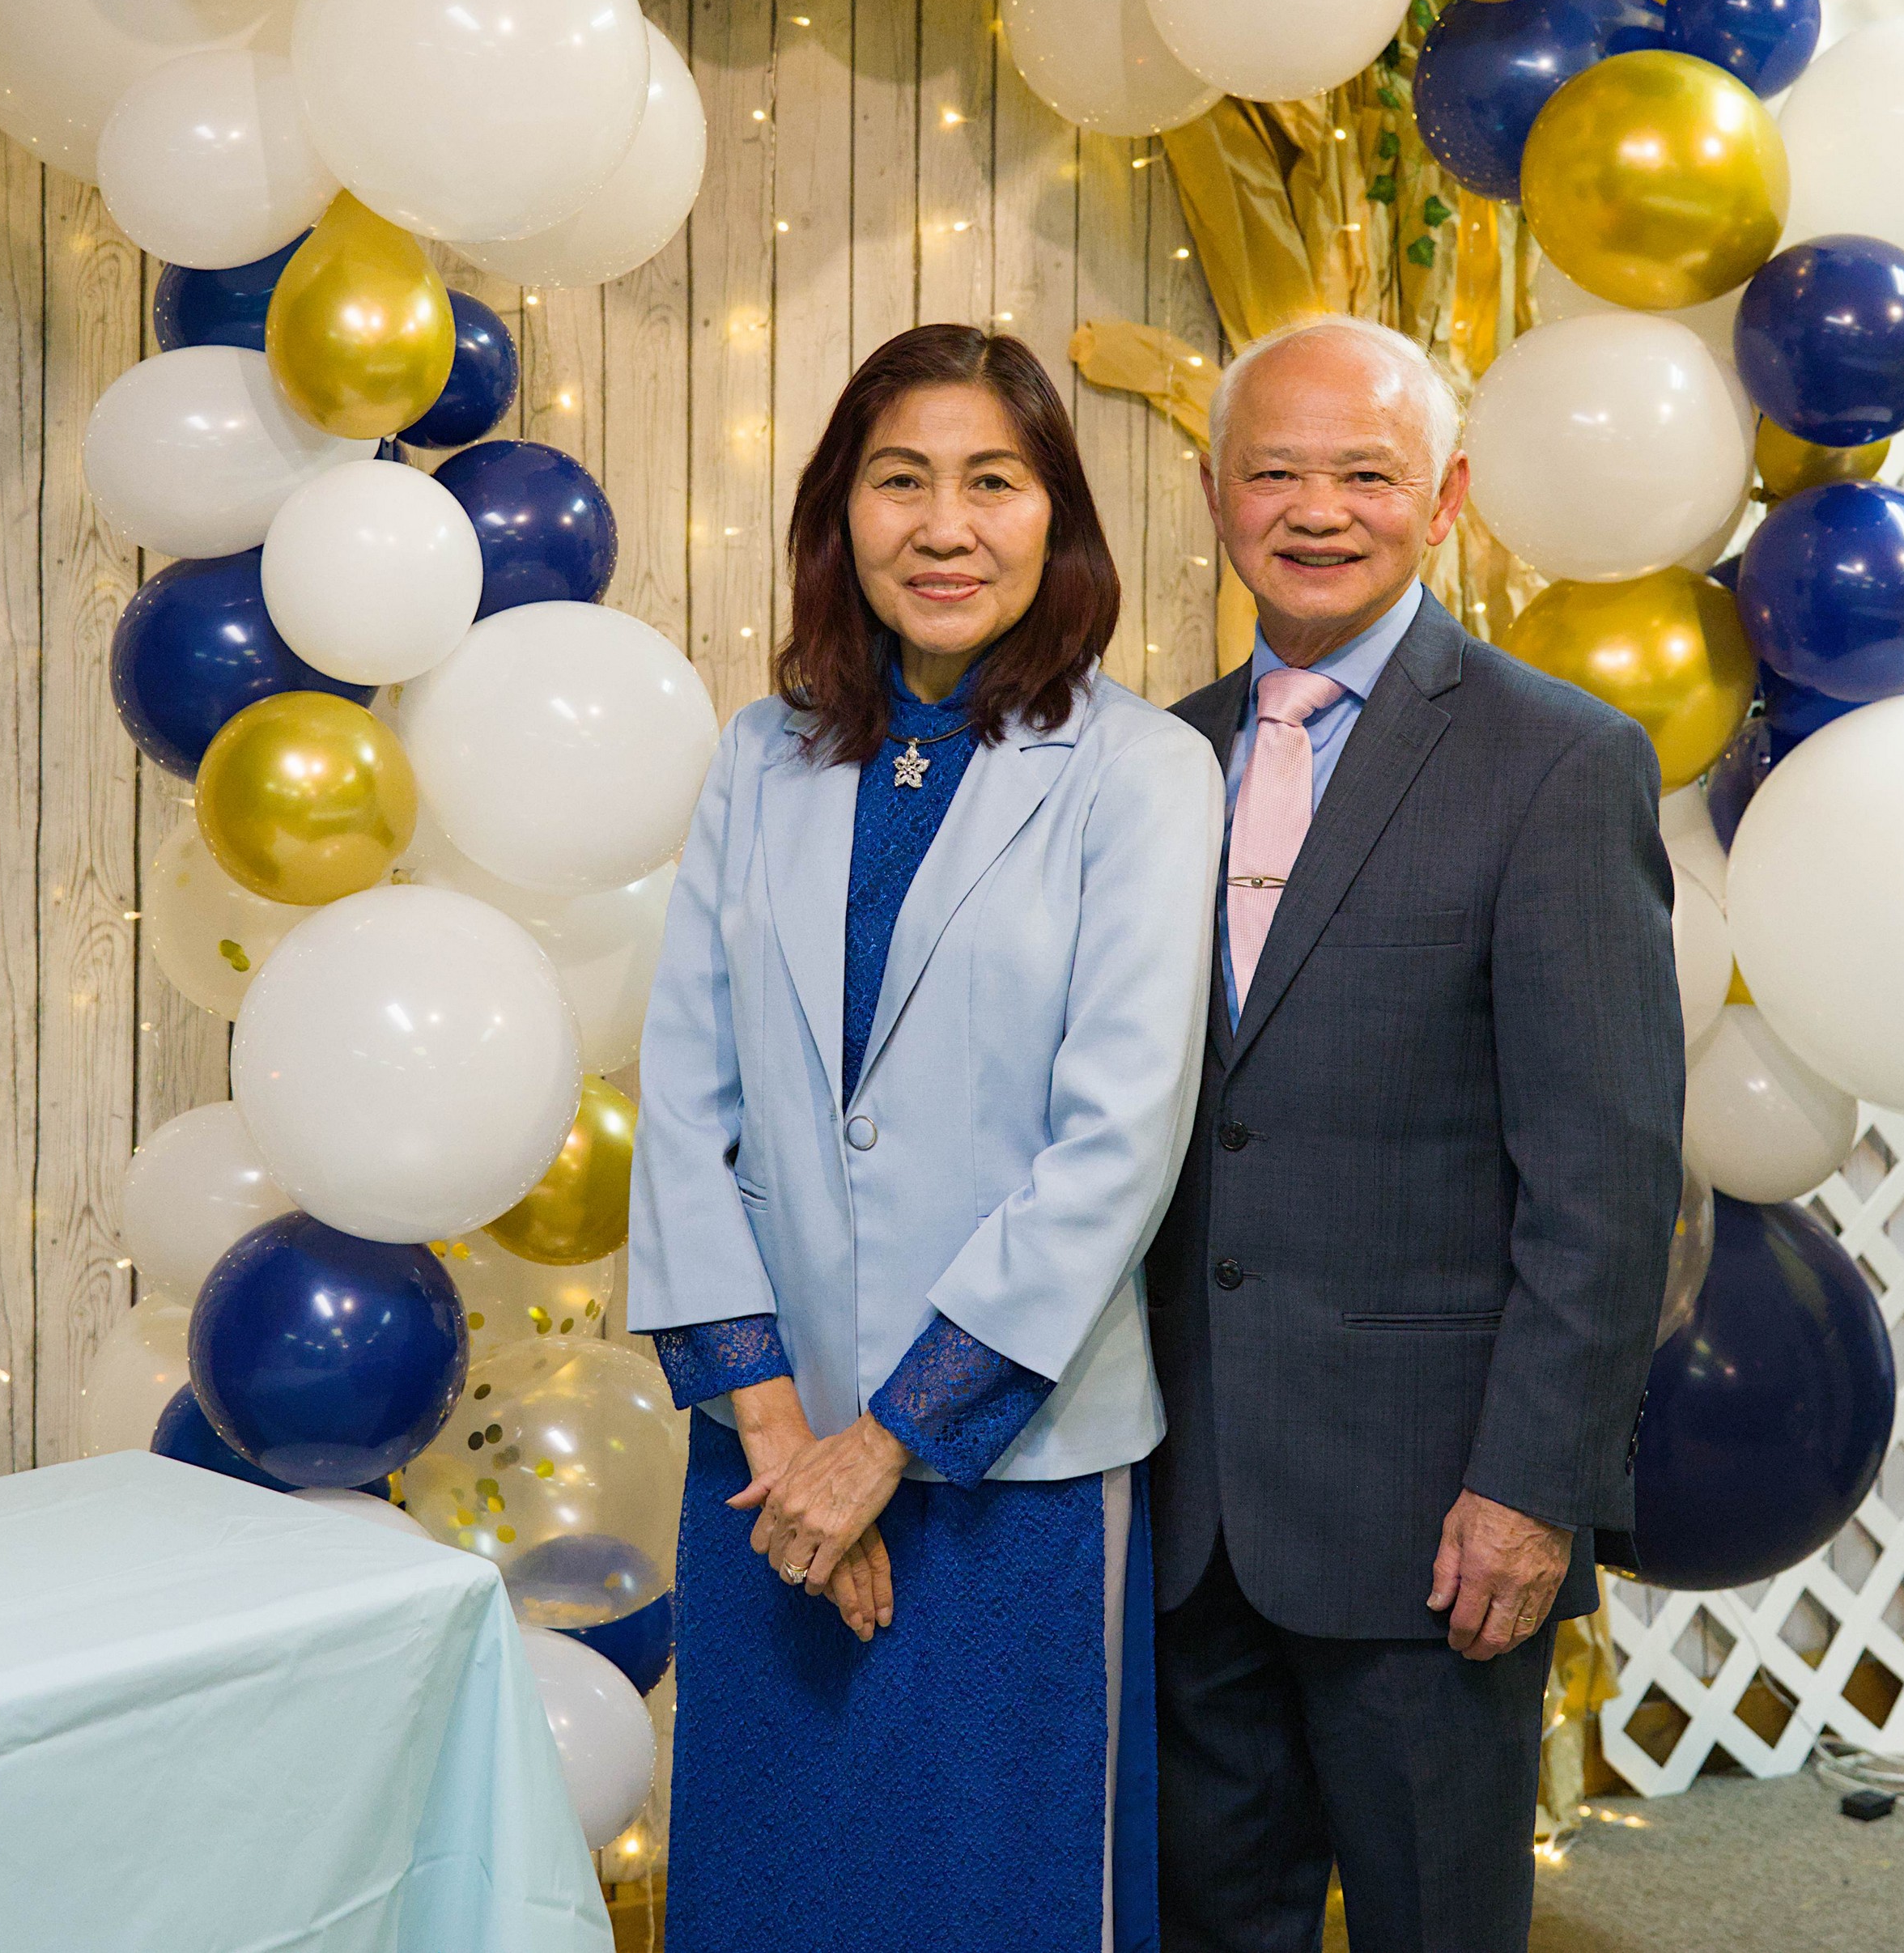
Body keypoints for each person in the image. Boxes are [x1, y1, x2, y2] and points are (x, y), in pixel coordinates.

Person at [627, 325, 1224, 1953]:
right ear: (842, 513)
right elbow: (684, 1100)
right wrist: (780, 1437)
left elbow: (1115, 1143)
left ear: (1057, 517)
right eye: (901, 480)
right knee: (772, 1880)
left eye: (992, 482)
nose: (945, 526)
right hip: (764, 1453)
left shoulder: (1143, 771)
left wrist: (882, 1444)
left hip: (1002, 1459)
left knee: (990, 1889)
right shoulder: (760, 754)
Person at [1149, 315, 1683, 1953]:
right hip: (1183, 1498)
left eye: (1366, 473)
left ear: (1443, 498)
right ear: (1215, 494)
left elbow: (1605, 1180)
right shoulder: (1155, 759)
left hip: (1435, 1509)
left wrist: (1530, 1485)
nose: (1317, 508)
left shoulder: (1559, 759)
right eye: (1274, 471)